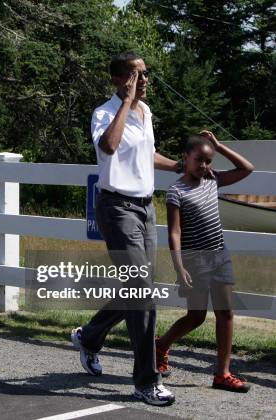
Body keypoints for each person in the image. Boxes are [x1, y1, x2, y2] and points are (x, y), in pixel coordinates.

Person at [70, 52, 180, 406]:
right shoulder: (104, 114)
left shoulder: (146, 113)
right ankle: (146, 382)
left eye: (146, 74)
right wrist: (127, 101)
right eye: (136, 75)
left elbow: (146, 155)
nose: (145, 80)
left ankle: (89, 336)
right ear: (119, 80)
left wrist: (182, 166)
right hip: (117, 208)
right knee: (142, 292)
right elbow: (110, 146)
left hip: (147, 208)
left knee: (140, 289)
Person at [155, 131, 253, 392]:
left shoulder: (213, 180)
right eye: (199, 160)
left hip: (220, 256)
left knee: (225, 313)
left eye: (208, 161)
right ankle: (161, 345)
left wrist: (219, 146)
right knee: (196, 316)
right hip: (194, 261)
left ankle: (222, 374)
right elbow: (174, 232)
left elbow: (247, 168)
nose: (204, 166)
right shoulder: (176, 191)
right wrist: (179, 266)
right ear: (186, 157)